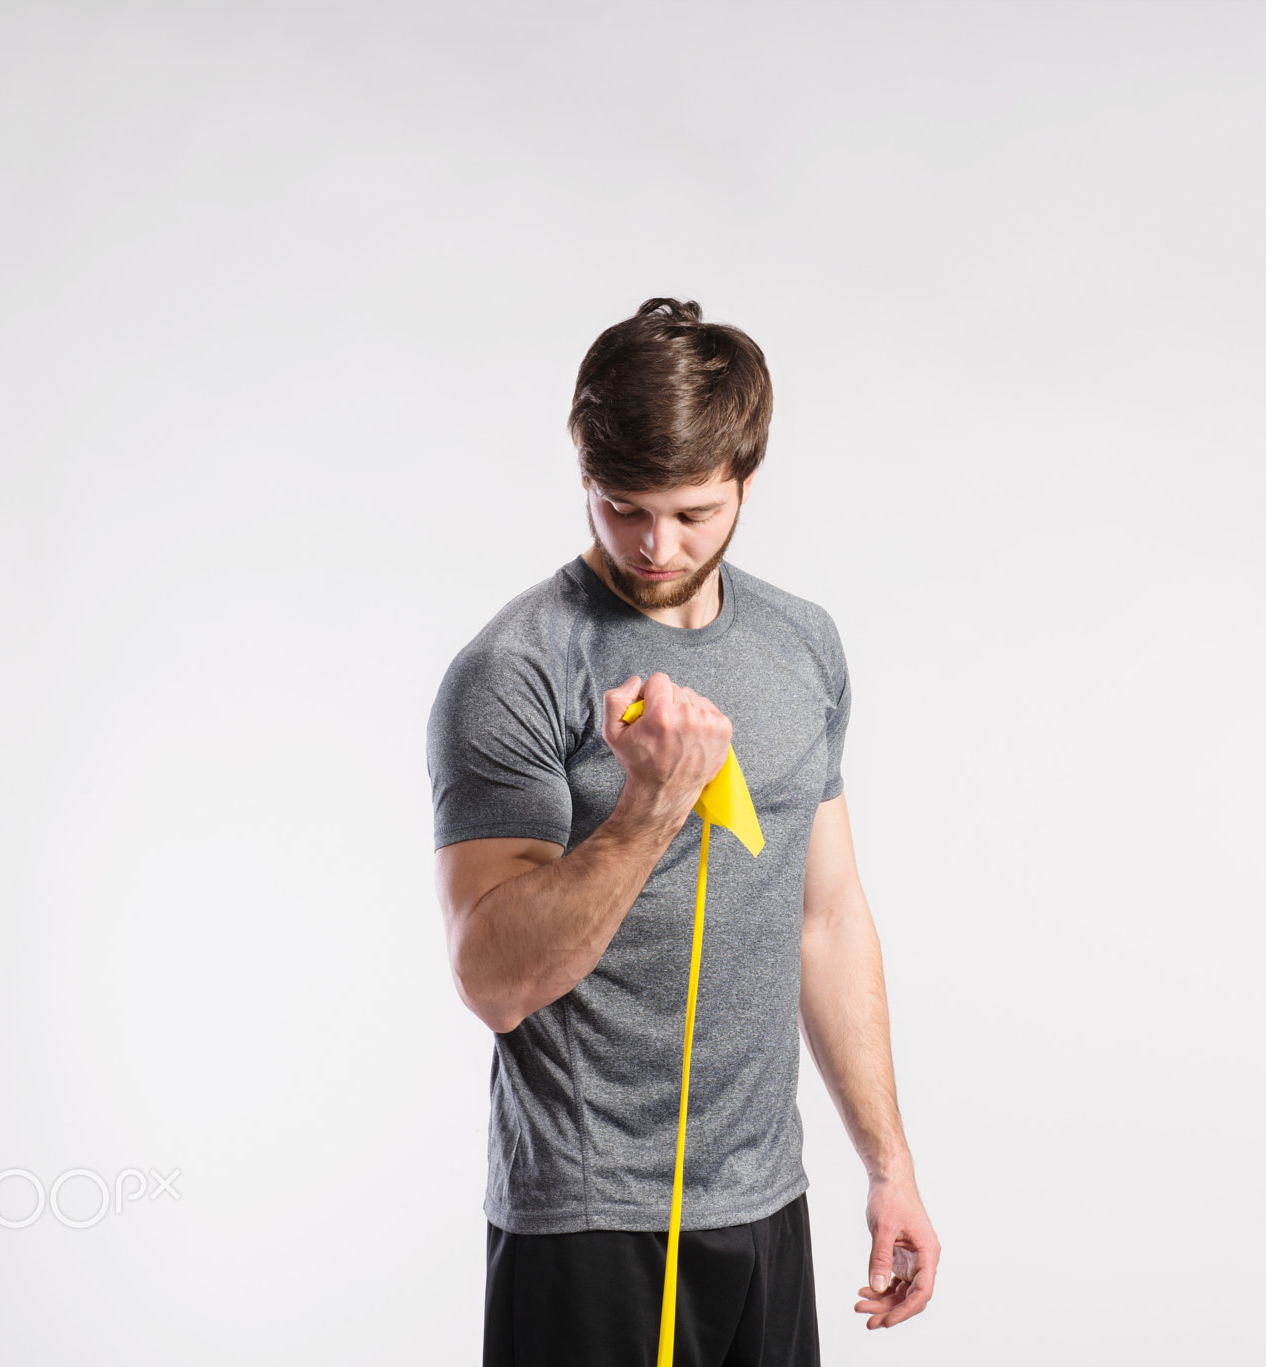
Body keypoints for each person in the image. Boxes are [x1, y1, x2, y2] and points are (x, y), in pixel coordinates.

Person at [427, 298, 939, 1366]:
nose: (656, 545)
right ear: (584, 476)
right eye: (622, 508)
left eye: (693, 512)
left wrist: (887, 1163)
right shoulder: (517, 669)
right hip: (586, 1216)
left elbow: (828, 919)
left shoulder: (802, 645)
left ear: (747, 478)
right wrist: (651, 803)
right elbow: (492, 977)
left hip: (762, 1201)